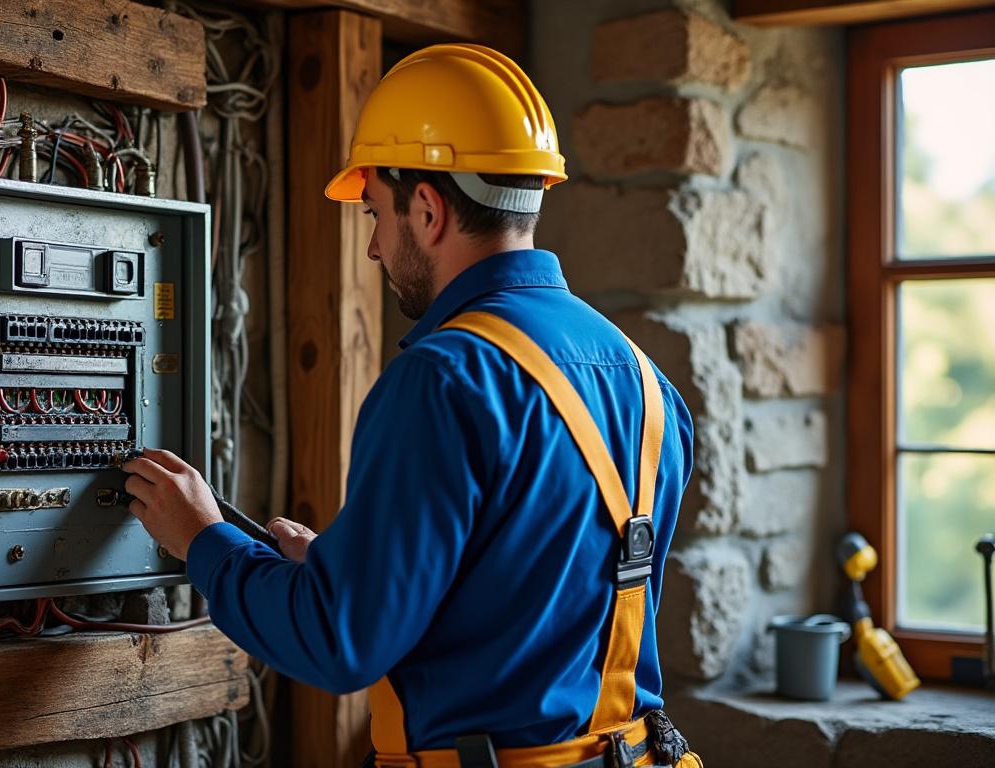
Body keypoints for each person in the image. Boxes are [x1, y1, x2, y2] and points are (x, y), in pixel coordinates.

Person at [122, 44, 701, 768]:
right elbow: (528, 589)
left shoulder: (444, 378)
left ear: (426, 208)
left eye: (374, 213)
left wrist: (202, 538)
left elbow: (339, 646)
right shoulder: (643, 379)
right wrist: (341, 568)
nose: (371, 247)